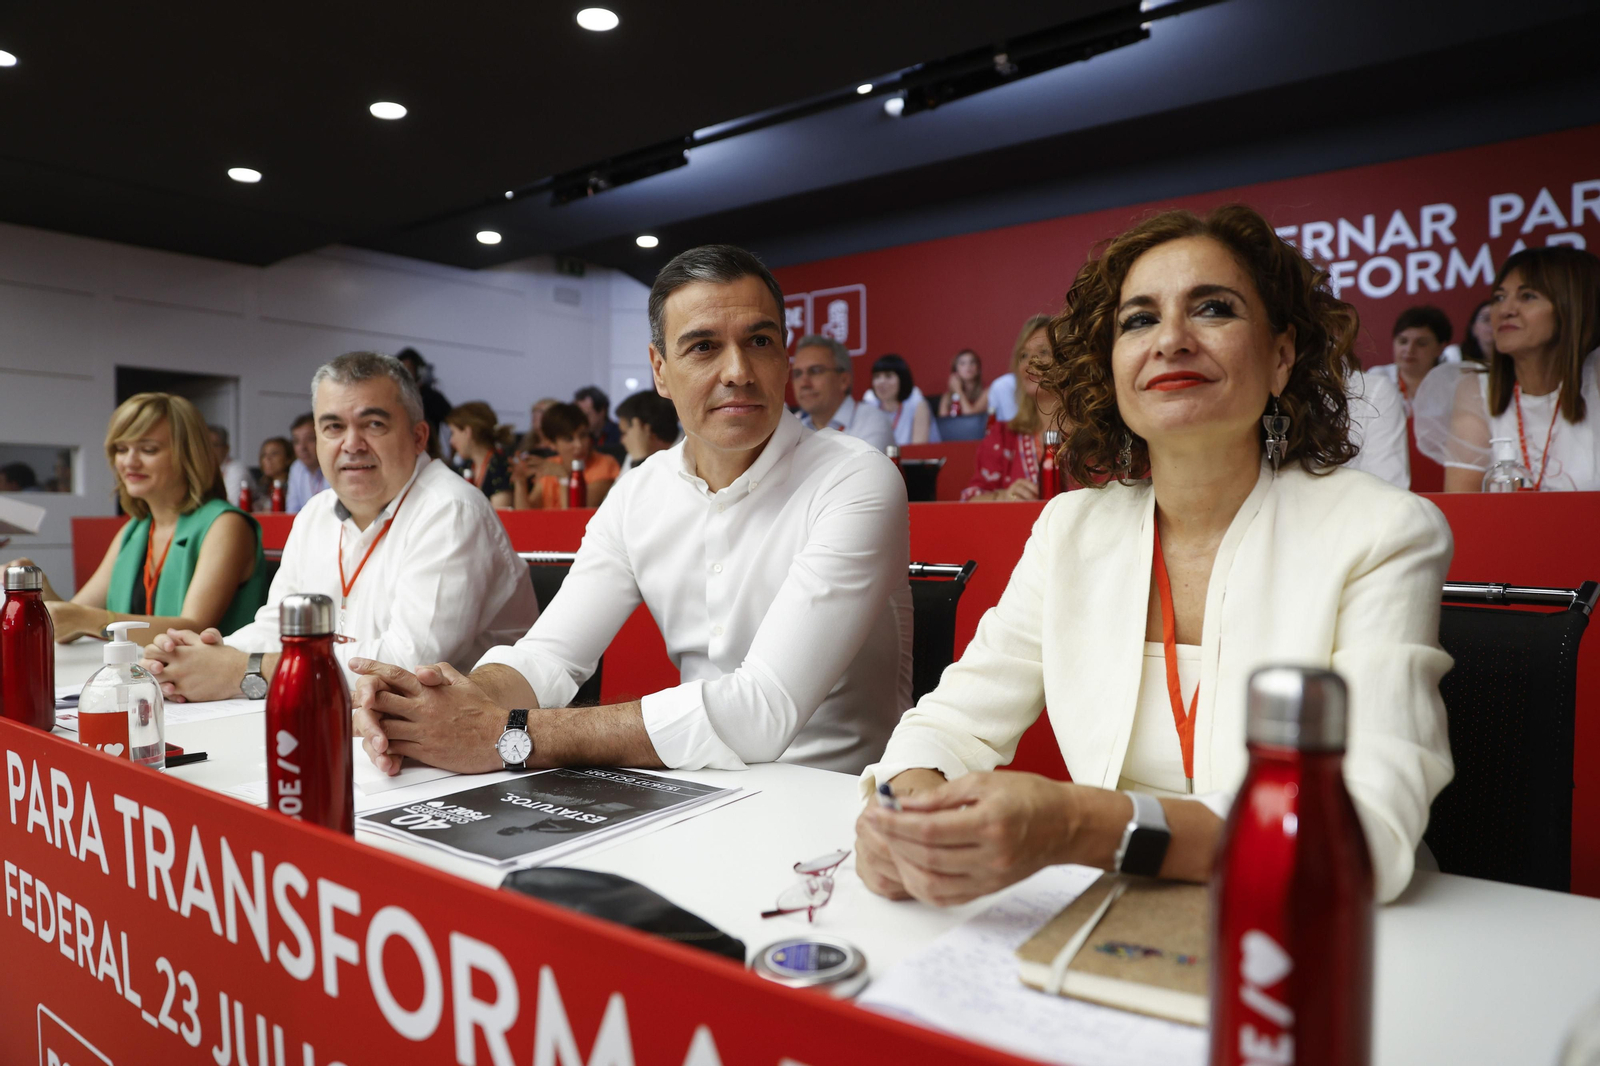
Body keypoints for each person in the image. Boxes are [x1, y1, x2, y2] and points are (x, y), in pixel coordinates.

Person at [855, 204, 1453, 908]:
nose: (1171, 339)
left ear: (1281, 356)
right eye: (1139, 320)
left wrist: (1080, 826)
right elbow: (946, 727)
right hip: (1115, 920)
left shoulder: (1382, 531)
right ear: (1113, 370)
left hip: (1327, 932)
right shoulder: (1070, 530)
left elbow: (1363, 833)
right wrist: (903, 815)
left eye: (1213, 309)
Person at [349, 244, 913, 779]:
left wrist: (509, 734)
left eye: (760, 342)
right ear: (660, 370)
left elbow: (761, 710)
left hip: (839, 803)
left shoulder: (854, 477)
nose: (738, 370)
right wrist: (437, 705)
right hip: (697, 789)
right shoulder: (640, 492)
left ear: (785, 358)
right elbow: (550, 656)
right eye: (703, 347)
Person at [139, 352, 538, 701]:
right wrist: (204, 655)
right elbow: (279, 623)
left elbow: (408, 666)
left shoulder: (450, 510)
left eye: (374, 424)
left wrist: (244, 670)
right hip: (356, 719)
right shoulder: (316, 512)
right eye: (332, 427)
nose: (352, 443)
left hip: (474, 750)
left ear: (418, 436)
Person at [6, 393, 267, 642]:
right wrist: (34, 592)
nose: (129, 462)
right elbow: (68, 624)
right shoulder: (136, 529)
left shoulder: (226, 525)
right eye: (121, 449)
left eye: (148, 449)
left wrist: (86, 619)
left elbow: (194, 629)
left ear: (189, 455)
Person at [1415, 246, 1600, 492]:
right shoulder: (1476, 390)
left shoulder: (1595, 377)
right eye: (1499, 297)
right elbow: (1464, 508)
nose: (1505, 310)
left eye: (1528, 296)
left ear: (1575, 305)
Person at [961, 315, 1060, 501]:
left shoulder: (1097, 437)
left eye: (1043, 352)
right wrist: (1003, 497)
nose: (1031, 362)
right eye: (1024, 355)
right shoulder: (1004, 436)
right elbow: (969, 501)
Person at [510, 402, 621, 509]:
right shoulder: (551, 465)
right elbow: (526, 517)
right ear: (551, 444)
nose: (579, 445)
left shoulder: (605, 464)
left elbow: (576, 516)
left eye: (583, 435)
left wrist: (564, 478)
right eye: (569, 439)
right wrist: (520, 482)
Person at [792, 334, 893, 450]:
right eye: (797, 374)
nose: (804, 383)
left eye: (815, 371)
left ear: (844, 380)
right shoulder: (795, 430)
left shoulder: (872, 421)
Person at [1370, 305, 1453, 412]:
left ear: (1440, 348)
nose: (1409, 350)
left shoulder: (1452, 385)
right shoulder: (1378, 377)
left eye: (1421, 343)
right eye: (1403, 341)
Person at [445, 402, 515, 508]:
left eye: (453, 432)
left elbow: (500, 514)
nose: (451, 441)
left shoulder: (500, 467)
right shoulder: (466, 466)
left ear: (467, 432)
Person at [862, 354, 939, 445]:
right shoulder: (870, 405)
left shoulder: (917, 404)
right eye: (877, 376)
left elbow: (919, 449)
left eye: (888, 376)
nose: (881, 382)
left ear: (902, 379)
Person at [985, 319, 1049, 423]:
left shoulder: (1083, 435)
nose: (1029, 364)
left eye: (1043, 352)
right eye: (1024, 355)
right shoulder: (1002, 435)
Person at [397, 348, 453, 460]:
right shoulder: (393, 396)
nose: (405, 375)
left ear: (419, 372)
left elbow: (455, 422)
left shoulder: (433, 397)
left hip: (428, 454)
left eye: (409, 370)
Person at [614, 389, 680, 475]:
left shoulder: (688, 455)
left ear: (644, 429)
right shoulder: (634, 453)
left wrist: (640, 461)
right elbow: (620, 488)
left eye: (624, 433)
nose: (622, 440)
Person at [285, 412, 328, 513]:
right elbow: (292, 511)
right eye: (296, 441)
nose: (302, 447)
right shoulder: (296, 468)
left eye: (310, 439)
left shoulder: (334, 466)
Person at [574, 386, 625, 461]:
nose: (581, 420)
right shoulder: (578, 435)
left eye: (586, 415)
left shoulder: (621, 434)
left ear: (602, 411)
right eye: (578, 415)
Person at [208, 424, 251, 507]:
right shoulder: (202, 469)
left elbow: (232, 505)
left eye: (215, 445)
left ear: (226, 448)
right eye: (206, 445)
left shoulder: (237, 469)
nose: (209, 450)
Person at [938, 349, 989, 417]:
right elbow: (943, 423)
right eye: (962, 363)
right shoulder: (947, 397)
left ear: (978, 369)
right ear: (956, 371)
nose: (968, 366)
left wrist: (958, 391)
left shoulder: (986, 392)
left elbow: (971, 417)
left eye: (972, 362)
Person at [253, 436, 293, 510]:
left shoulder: (293, 486)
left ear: (288, 458)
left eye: (274, 454)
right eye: (264, 455)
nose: (267, 459)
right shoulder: (261, 486)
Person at [1459, 298, 1495, 364]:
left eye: (1497, 320)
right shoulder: (1457, 357)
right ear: (1474, 329)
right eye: (1486, 319)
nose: (1492, 324)